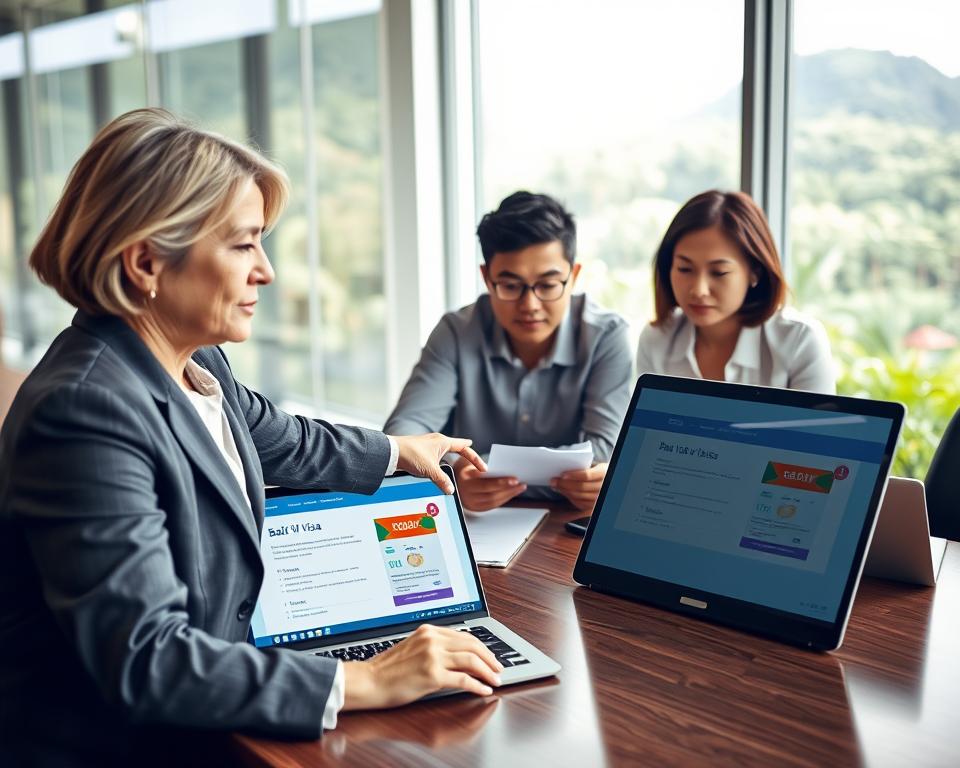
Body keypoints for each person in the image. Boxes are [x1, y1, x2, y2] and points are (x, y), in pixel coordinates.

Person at [0, 109, 503, 766]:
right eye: (242, 245)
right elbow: (146, 659)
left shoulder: (192, 362)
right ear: (147, 261)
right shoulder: (84, 411)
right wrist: (370, 677)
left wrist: (398, 451)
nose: (265, 270)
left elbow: (283, 439)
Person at [384, 191, 632, 512]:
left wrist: (465, 468)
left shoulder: (607, 337)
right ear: (487, 278)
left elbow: (604, 453)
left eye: (547, 285)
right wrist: (455, 474)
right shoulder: (456, 332)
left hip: (566, 525)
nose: (530, 305)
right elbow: (402, 436)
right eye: (511, 286)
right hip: (472, 522)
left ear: (574, 276)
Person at [636, 190, 835, 392]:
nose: (699, 290)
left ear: (754, 272)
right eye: (684, 269)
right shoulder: (657, 339)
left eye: (719, 272)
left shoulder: (798, 340)